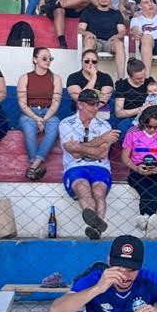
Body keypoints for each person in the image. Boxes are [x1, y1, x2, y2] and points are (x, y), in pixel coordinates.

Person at [59, 88, 119, 239]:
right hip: (75, 166)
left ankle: (95, 229)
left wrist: (79, 147)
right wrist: (101, 139)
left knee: (99, 191)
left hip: (100, 165)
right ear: (80, 104)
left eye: (97, 104)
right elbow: (72, 151)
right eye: (91, 104)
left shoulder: (105, 125)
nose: (95, 108)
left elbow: (102, 154)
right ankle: (96, 227)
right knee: (82, 187)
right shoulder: (66, 123)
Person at [122, 106, 157, 230]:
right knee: (144, 186)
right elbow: (125, 156)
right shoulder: (133, 132)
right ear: (143, 122)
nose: (152, 130)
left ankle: (144, 216)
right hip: (138, 168)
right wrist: (136, 168)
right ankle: (151, 217)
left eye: (155, 127)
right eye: (148, 126)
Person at [16, 47, 63, 181]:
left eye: (50, 58)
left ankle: (33, 166)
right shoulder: (24, 78)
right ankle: (35, 167)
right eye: (44, 58)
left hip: (49, 113)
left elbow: (56, 103)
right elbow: (22, 104)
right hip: (30, 112)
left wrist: (44, 119)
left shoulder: (56, 78)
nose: (48, 61)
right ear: (35, 59)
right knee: (29, 129)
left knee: (54, 129)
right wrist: (36, 118)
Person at [78, 0, 127, 79]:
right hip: (95, 41)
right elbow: (80, 29)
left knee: (119, 44)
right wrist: (87, 33)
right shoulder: (88, 12)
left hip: (110, 42)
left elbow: (122, 31)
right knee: (88, 41)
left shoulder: (116, 13)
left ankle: (120, 80)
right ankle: (86, 76)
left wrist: (117, 36)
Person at [112, 58, 157, 133]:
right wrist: (141, 109)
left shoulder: (149, 81)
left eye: (144, 76)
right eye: (138, 79)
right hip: (130, 118)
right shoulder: (122, 85)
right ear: (130, 76)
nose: (142, 80)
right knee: (124, 127)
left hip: (150, 118)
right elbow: (119, 113)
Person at [64, 49, 115, 114]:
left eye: (94, 61)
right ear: (82, 61)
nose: (90, 63)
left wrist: (90, 109)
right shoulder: (73, 77)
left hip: (101, 113)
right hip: (79, 113)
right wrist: (94, 77)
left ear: (97, 63)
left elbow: (103, 100)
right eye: (87, 61)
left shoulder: (106, 77)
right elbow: (81, 99)